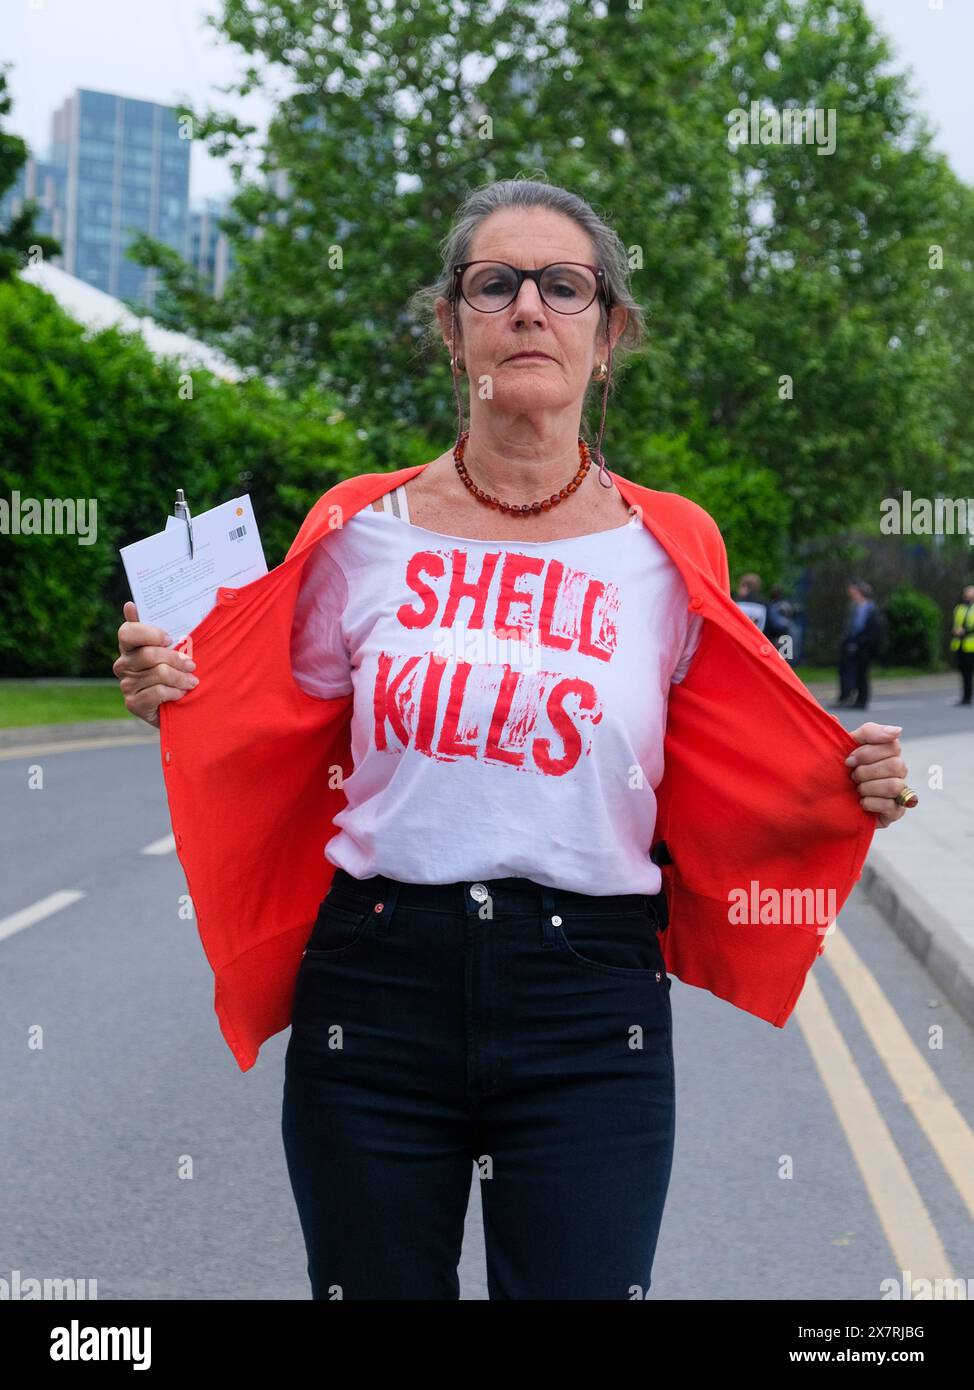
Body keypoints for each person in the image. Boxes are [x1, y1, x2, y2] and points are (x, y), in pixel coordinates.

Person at [111, 178, 914, 1301]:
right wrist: (172, 688)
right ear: (451, 328)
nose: (527, 307)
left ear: (607, 332)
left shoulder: (671, 543)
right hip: (376, 985)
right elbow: (262, 714)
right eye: (493, 283)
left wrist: (847, 779)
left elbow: (735, 746)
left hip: (591, 1002)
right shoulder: (356, 527)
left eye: (563, 285)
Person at [832, 580, 883, 710]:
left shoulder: (871, 610)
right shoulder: (855, 608)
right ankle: (848, 698)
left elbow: (871, 631)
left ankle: (861, 700)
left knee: (862, 674)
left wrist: (861, 643)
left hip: (864, 648)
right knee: (848, 672)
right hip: (852, 645)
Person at [950, 583, 974, 707]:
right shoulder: (959, 608)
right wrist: (955, 630)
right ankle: (966, 697)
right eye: (967, 592)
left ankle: (968, 696)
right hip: (960, 645)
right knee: (965, 673)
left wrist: (965, 631)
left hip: (971, 646)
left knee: (969, 673)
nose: (968, 595)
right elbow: (954, 623)